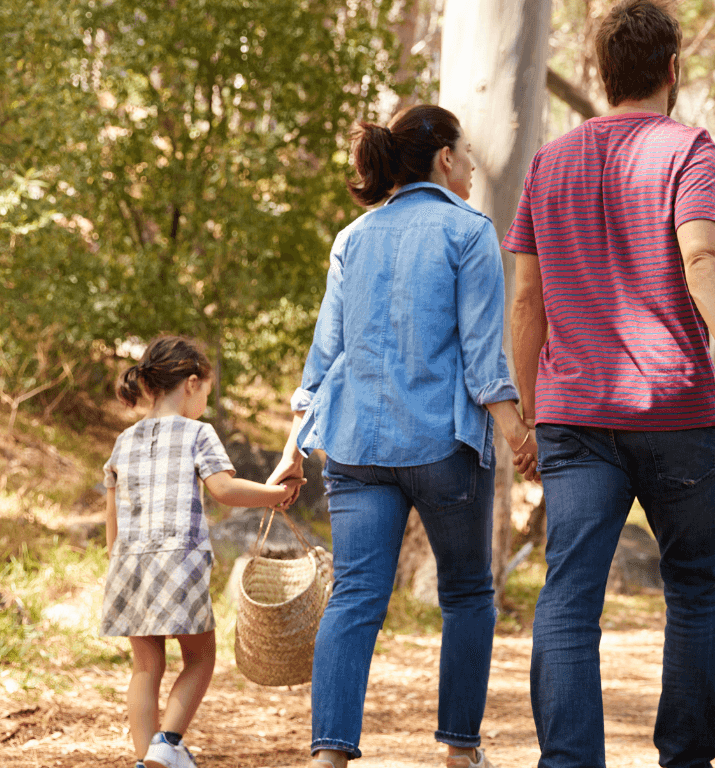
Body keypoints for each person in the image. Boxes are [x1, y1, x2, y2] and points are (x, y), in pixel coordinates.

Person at [502, 1, 715, 766]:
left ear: (601, 74)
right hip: (677, 412)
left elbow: (525, 299)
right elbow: (703, 257)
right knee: (692, 592)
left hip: (574, 420)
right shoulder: (687, 146)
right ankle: (687, 758)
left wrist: (529, 413)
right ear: (672, 70)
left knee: (569, 598)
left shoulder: (547, 161)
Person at [265, 103, 536, 768]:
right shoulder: (469, 230)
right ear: (444, 158)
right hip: (442, 446)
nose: (472, 164)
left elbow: (325, 353)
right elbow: (481, 353)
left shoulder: (352, 238)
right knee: (469, 592)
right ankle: (458, 748)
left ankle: (329, 754)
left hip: (356, 447)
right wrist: (516, 430)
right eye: (466, 152)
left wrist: (293, 446)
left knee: (356, 595)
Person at [102, 335, 298, 768]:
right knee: (200, 657)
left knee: (145, 667)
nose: (203, 403)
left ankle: (145, 760)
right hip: (178, 559)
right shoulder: (197, 433)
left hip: (129, 564)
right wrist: (274, 494)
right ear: (191, 383)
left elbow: (112, 514)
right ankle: (167, 744)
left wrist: (116, 562)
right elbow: (224, 490)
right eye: (205, 393)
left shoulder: (124, 440)